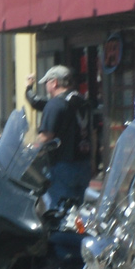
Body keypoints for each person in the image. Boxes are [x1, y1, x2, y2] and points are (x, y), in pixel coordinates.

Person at [34, 65, 89, 209]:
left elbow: (45, 137)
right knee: (77, 213)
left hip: (62, 165)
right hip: (84, 164)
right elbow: (92, 134)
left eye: (47, 82)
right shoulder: (82, 101)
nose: (46, 86)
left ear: (55, 82)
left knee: (59, 213)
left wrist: (31, 149)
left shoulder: (55, 104)